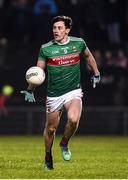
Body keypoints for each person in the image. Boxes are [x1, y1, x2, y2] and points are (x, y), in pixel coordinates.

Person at [20, 15, 100, 170]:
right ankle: (48, 157)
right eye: (54, 28)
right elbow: (38, 72)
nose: (56, 31)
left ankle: (64, 142)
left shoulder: (79, 43)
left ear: (67, 30)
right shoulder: (46, 48)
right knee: (50, 129)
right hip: (54, 94)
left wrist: (96, 73)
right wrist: (30, 89)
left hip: (73, 91)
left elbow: (88, 56)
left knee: (73, 119)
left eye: (60, 28)